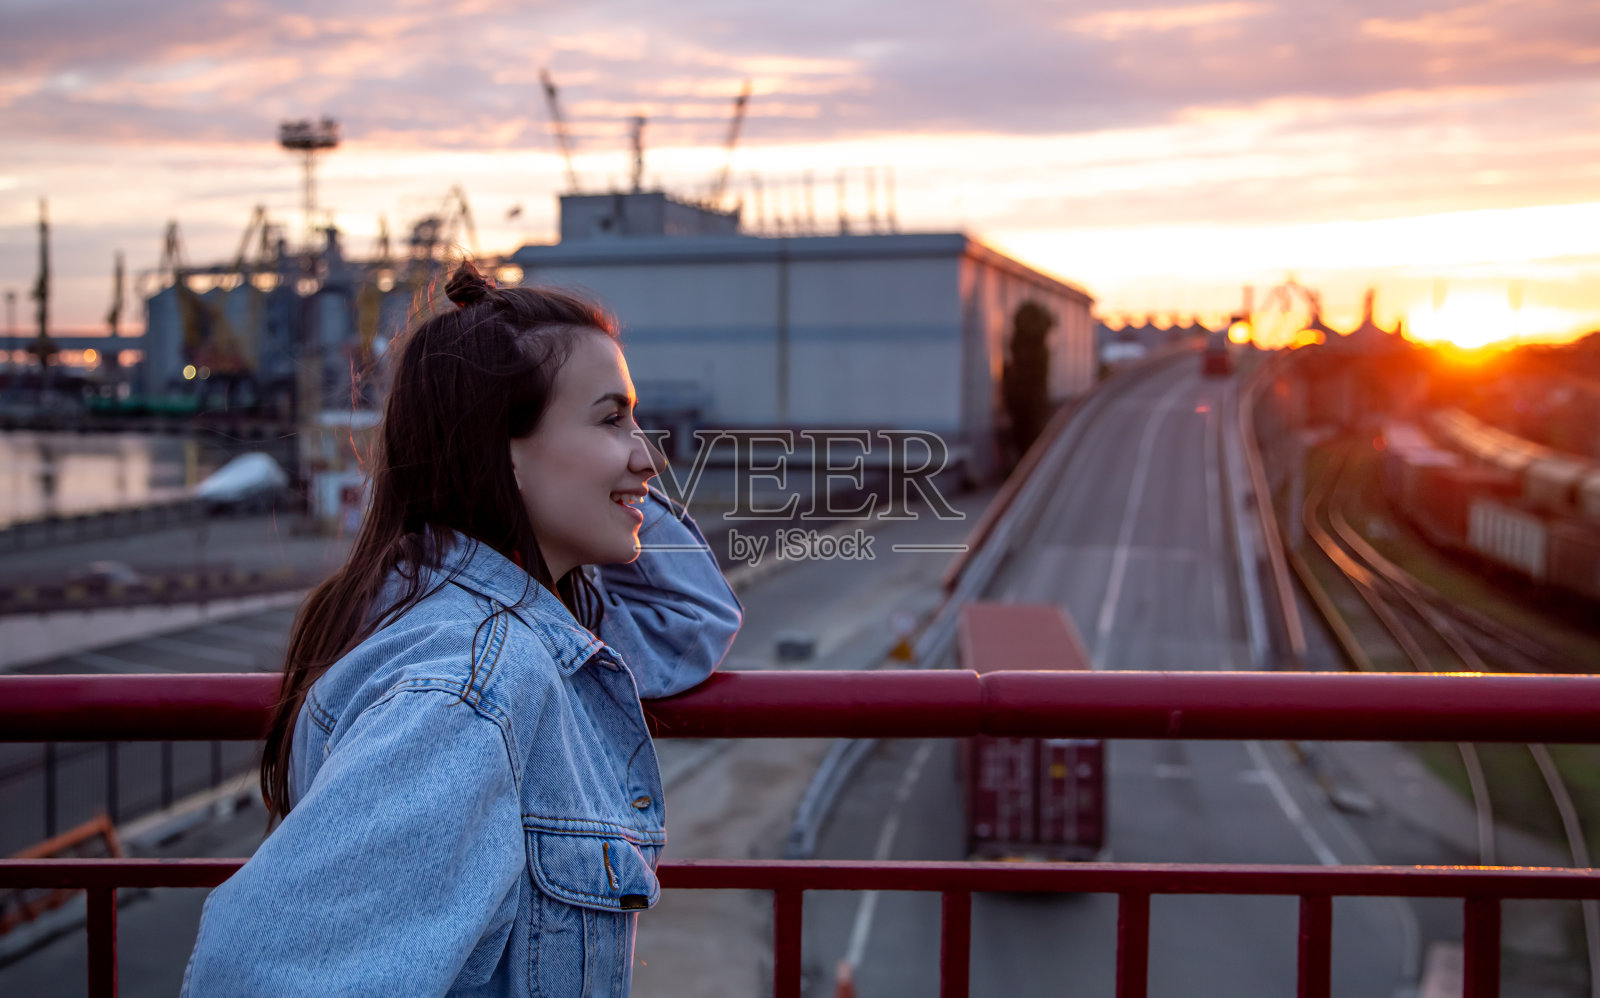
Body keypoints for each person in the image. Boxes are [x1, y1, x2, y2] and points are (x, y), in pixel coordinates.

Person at [182, 262, 742, 996]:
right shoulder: (463, 691)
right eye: (611, 418)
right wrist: (601, 488)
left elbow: (687, 622)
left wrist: (603, 486)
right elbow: (263, 978)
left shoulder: (466, 610)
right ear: (499, 448)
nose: (653, 455)